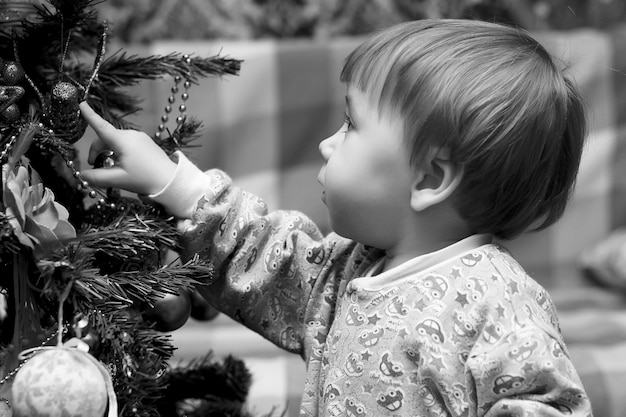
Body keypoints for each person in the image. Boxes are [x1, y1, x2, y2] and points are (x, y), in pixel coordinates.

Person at [79, 19, 593, 417]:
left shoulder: (498, 305)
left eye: (351, 124)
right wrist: (172, 182)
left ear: (429, 180)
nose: (327, 143)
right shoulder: (348, 272)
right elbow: (261, 257)